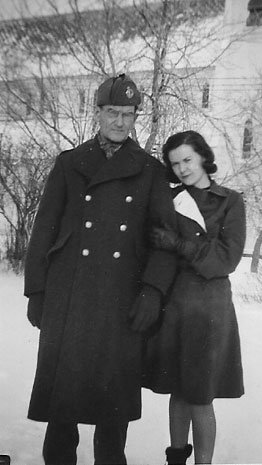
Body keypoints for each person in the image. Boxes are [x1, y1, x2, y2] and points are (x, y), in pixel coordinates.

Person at [24, 73, 177, 465]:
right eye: (113, 113)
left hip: (121, 303)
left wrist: (153, 291)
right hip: (70, 299)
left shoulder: (149, 170)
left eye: (129, 114)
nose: (121, 122)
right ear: (97, 113)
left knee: (112, 420)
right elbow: (44, 232)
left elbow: (164, 241)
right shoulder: (69, 163)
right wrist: (36, 292)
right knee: (62, 412)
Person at [145, 130, 246, 465]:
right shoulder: (170, 199)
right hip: (177, 305)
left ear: (203, 156)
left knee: (200, 395)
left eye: (187, 159)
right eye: (175, 164)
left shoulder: (231, 201)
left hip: (210, 308)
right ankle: (176, 460)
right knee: (178, 388)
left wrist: (178, 244)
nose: (182, 169)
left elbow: (225, 261)